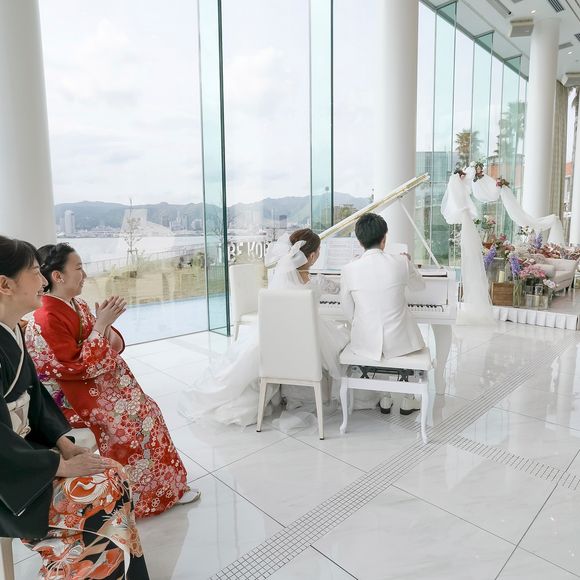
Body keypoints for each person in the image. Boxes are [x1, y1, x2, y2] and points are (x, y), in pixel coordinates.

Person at [0, 235, 149, 579]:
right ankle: (76, 568)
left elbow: (36, 397)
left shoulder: (13, 331)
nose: (42, 281)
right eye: (35, 272)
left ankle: (119, 571)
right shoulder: (38, 320)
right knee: (99, 497)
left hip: (27, 454)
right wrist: (57, 465)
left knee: (114, 474)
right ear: (5, 285)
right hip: (11, 481)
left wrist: (62, 442)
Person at [25, 243, 199, 518]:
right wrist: (100, 325)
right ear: (58, 276)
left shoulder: (77, 304)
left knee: (148, 409)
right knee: (131, 422)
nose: (85, 275)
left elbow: (97, 348)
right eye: (79, 268)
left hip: (89, 384)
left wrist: (102, 324)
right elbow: (75, 365)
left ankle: (164, 489)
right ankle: (136, 498)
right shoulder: (47, 316)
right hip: (68, 397)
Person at [179, 228, 348, 427]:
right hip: (303, 340)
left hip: (272, 337)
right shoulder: (316, 283)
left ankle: (285, 390)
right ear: (311, 257)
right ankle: (320, 392)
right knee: (339, 343)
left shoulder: (281, 279)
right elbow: (338, 289)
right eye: (318, 252)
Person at [340, 213, 425, 415]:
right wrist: (410, 263)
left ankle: (385, 398)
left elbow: (347, 310)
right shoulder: (401, 262)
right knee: (407, 327)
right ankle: (408, 399)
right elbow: (419, 287)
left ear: (360, 241)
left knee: (379, 341)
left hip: (365, 342)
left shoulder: (349, 269)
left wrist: (364, 323)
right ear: (384, 238)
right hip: (401, 341)